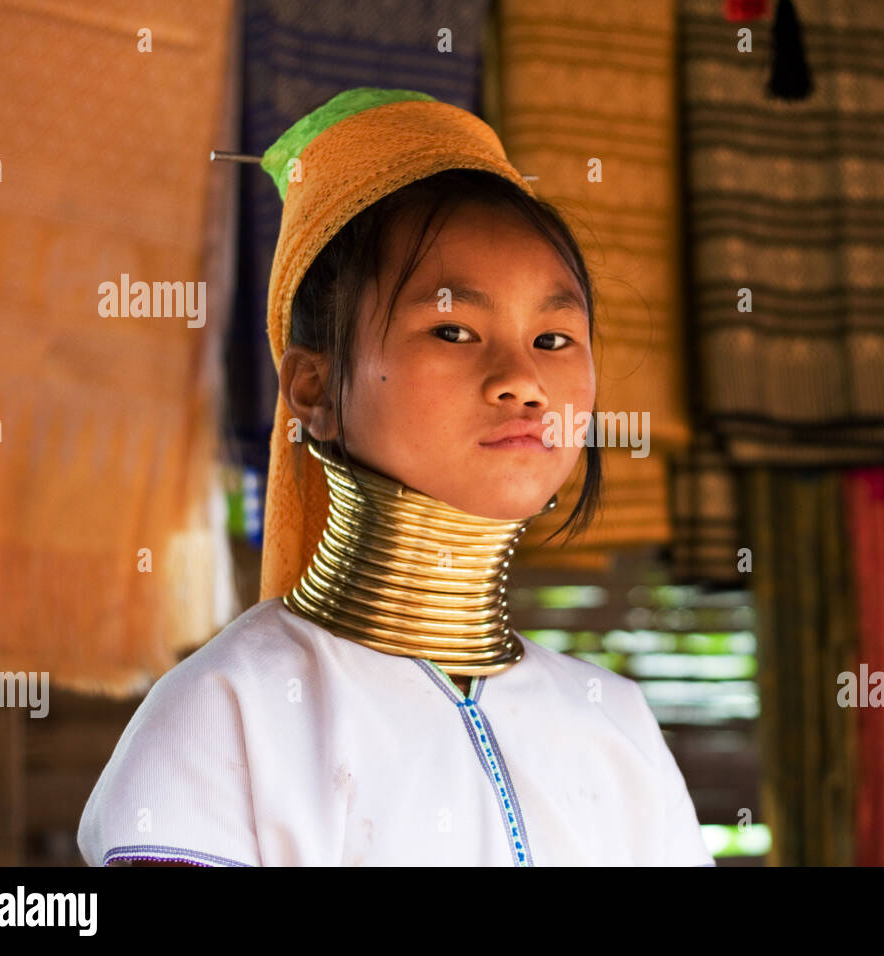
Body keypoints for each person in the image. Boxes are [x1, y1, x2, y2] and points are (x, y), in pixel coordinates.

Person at [77, 88, 716, 867]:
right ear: (312, 388)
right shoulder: (229, 715)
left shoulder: (614, 724)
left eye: (554, 337)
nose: (523, 380)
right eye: (452, 329)